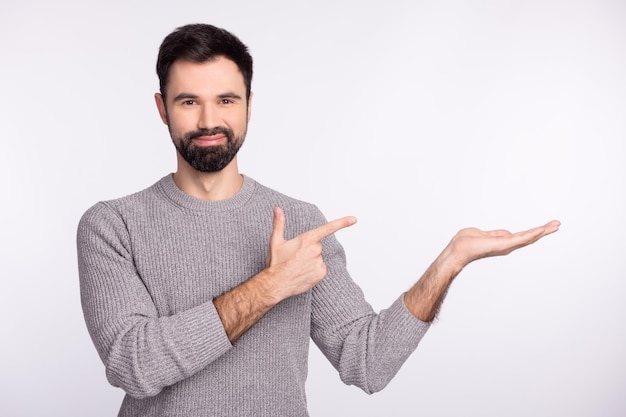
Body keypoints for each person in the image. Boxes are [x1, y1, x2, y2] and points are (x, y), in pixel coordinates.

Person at [77, 23, 560, 417]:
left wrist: (450, 261)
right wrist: (271, 286)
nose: (208, 120)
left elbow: (367, 362)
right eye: (188, 101)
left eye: (226, 100)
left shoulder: (302, 224)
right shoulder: (113, 225)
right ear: (162, 108)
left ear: (249, 105)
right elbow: (134, 364)